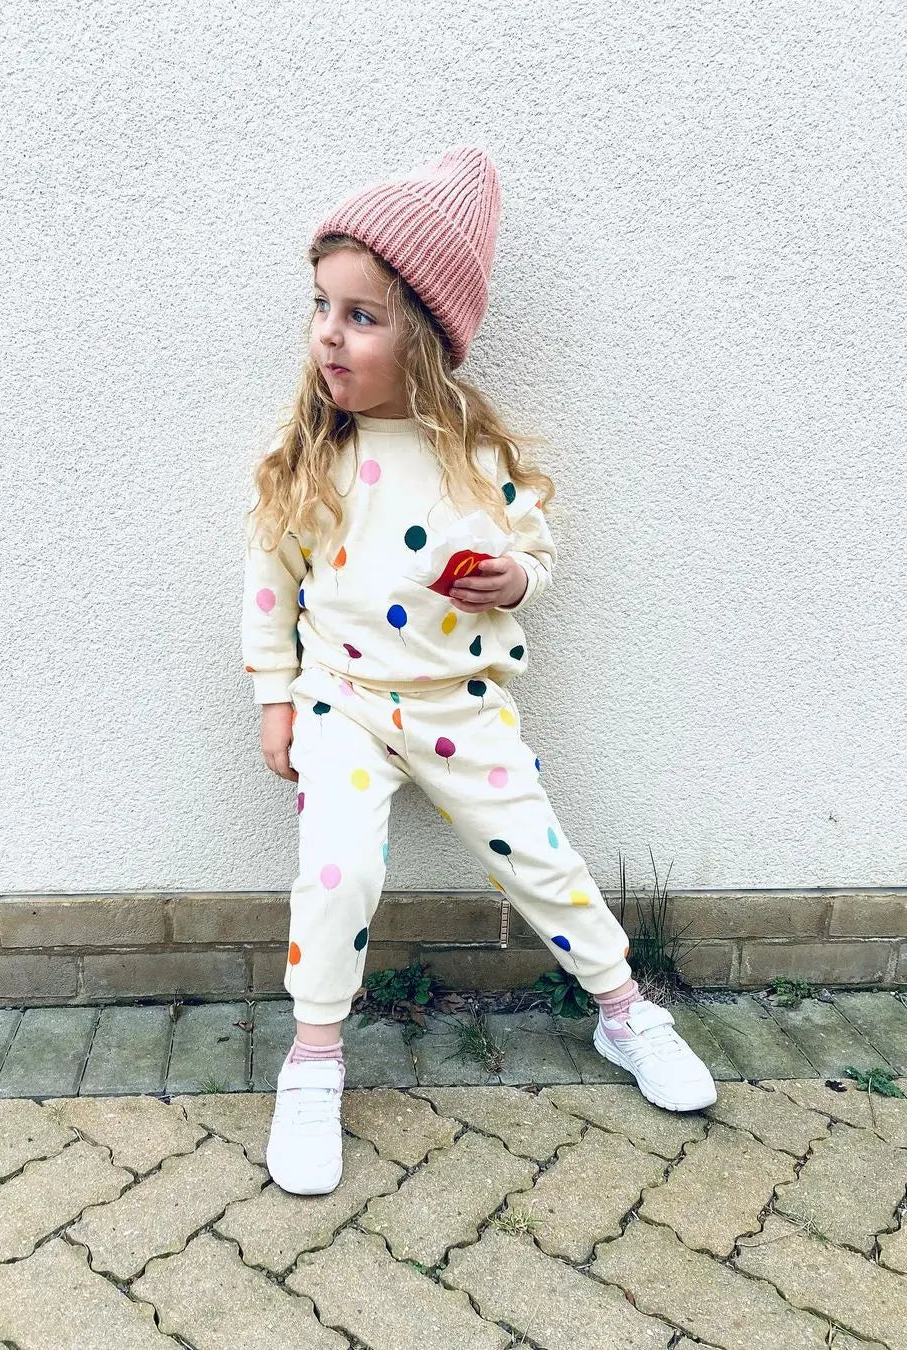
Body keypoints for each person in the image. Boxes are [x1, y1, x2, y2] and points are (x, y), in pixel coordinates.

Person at [241, 146, 716, 1196]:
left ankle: (623, 1010)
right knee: (338, 867)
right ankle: (313, 1059)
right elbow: (270, 583)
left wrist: (515, 579)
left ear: (423, 334)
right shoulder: (311, 452)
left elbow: (532, 547)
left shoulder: (474, 449)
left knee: (540, 855)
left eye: (361, 315)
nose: (329, 333)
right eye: (321, 306)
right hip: (344, 703)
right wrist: (277, 701)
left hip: (461, 705)